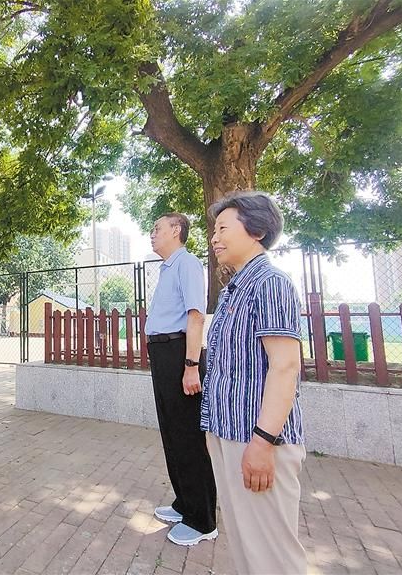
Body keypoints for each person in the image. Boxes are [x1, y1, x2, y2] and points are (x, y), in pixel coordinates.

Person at [202, 191, 307, 574]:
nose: (214, 238)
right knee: (248, 548)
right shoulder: (234, 289)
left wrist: (263, 443)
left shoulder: (270, 283)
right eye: (214, 230)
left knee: (272, 557)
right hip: (228, 435)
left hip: (257, 441)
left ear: (257, 231)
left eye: (223, 228)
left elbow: (285, 366)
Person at [145, 213, 218, 546]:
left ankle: (202, 520)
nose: (152, 234)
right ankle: (184, 503)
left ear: (176, 230)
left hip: (180, 354)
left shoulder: (187, 264)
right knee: (172, 434)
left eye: (157, 229)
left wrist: (191, 365)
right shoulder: (168, 268)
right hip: (164, 354)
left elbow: (195, 316)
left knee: (188, 436)